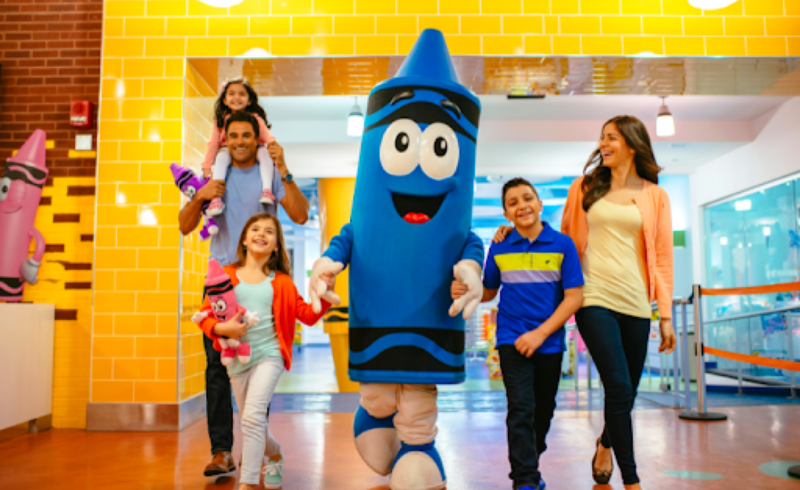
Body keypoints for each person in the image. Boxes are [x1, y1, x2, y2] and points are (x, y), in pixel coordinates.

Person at [494, 116, 676, 490]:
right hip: (593, 298)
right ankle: (632, 481)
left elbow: (662, 255)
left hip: (636, 301)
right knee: (618, 386)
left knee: (627, 392)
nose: (603, 144)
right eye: (602, 138)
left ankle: (605, 443)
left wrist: (666, 314)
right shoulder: (585, 187)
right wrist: (514, 232)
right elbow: (562, 242)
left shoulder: (655, 195)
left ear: (632, 144)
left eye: (611, 138)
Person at [178, 111, 310, 477]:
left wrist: (285, 170)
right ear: (225, 139)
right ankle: (222, 451)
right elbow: (184, 226)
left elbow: (301, 215)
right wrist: (200, 196)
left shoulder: (270, 172)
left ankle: (256, 449)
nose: (239, 141)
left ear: (257, 138)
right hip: (222, 284)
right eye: (232, 135)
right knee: (217, 369)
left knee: (259, 365)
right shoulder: (216, 176)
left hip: (261, 283)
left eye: (246, 135)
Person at [453, 178, 583, 490]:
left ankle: (529, 458)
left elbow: (574, 297)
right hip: (510, 338)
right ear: (506, 213)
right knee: (521, 407)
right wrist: (467, 289)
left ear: (539, 204)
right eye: (513, 203)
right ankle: (525, 480)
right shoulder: (499, 245)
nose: (522, 206)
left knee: (543, 411)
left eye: (527, 198)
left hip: (549, 341)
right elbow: (489, 290)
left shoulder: (563, 245)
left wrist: (540, 334)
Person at [196, 212, 333, 490]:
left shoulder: (282, 282)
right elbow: (205, 315)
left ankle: (247, 483)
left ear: (277, 246)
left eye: (269, 231)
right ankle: (276, 455)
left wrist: (325, 295)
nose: (261, 234)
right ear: (244, 240)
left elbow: (307, 315)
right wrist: (223, 329)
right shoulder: (225, 275)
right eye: (255, 229)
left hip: (270, 355)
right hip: (236, 361)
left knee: (252, 416)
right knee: (252, 420)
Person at [203, 77, 277, 213]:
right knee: (221, 157)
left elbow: (268, 137)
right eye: (231, 93)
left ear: (249, 100)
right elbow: (213, 143)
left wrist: (276, 154)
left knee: (264, 152)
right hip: (228, 150)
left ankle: (267, 190)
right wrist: (207, 166)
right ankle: (216, 198)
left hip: (253, 149)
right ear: (224, 100)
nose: (236, 97)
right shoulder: (220, 120)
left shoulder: (255, 118)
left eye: (242, 94)